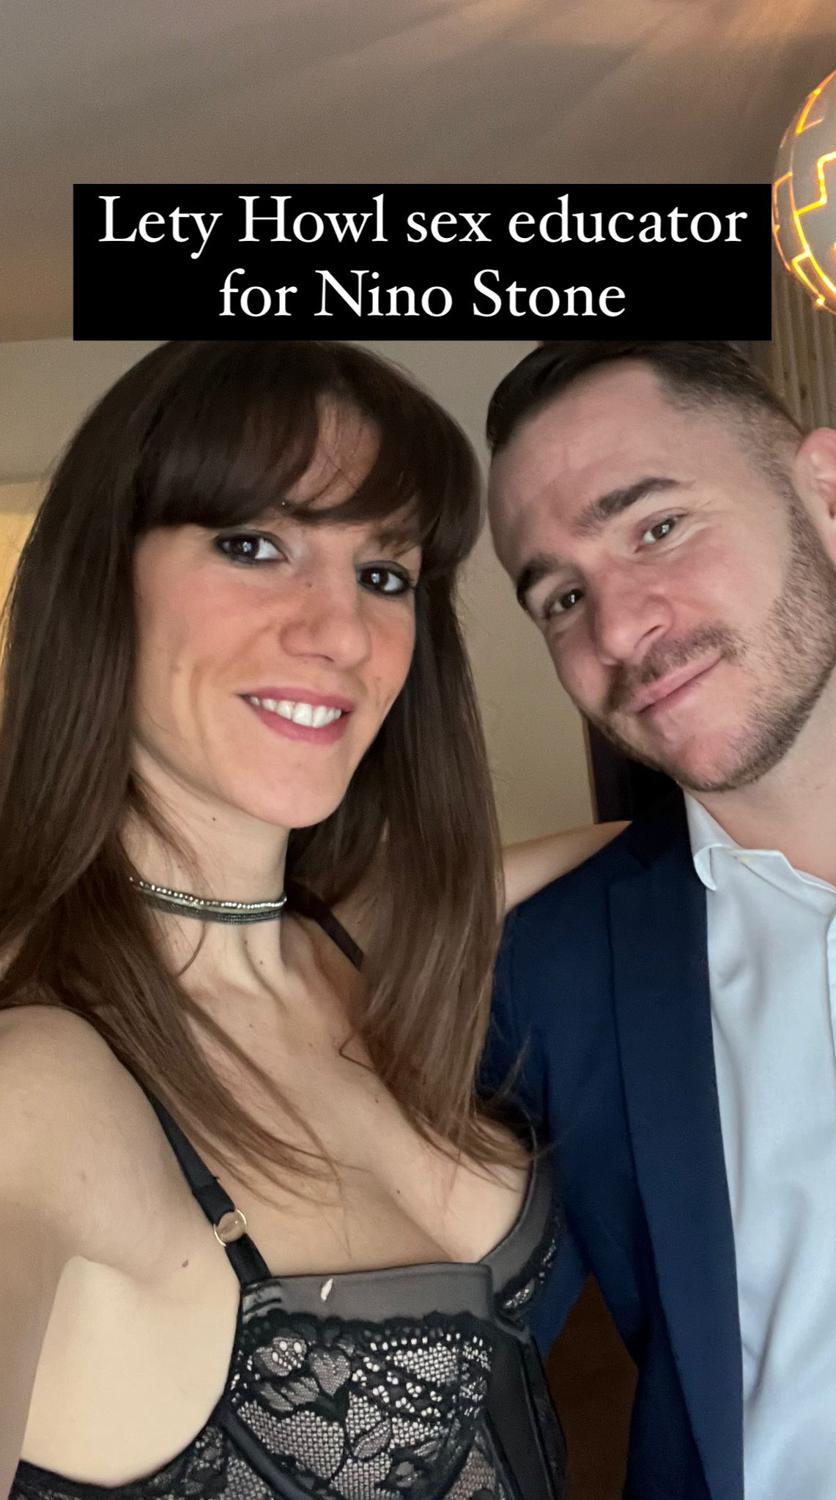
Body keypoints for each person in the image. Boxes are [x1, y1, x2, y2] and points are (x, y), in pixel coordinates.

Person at [0, 339, 618, 1500]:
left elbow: (662, 845)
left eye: (384, 573)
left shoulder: (350, 941)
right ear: (100, 580)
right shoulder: (37, 1085)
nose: (341, 631)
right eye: (253, 545)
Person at [483, 339, 836, 1500]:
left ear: (829, 495)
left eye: (656, 527)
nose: (616, 630)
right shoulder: (547, 972)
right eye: (560, 596)